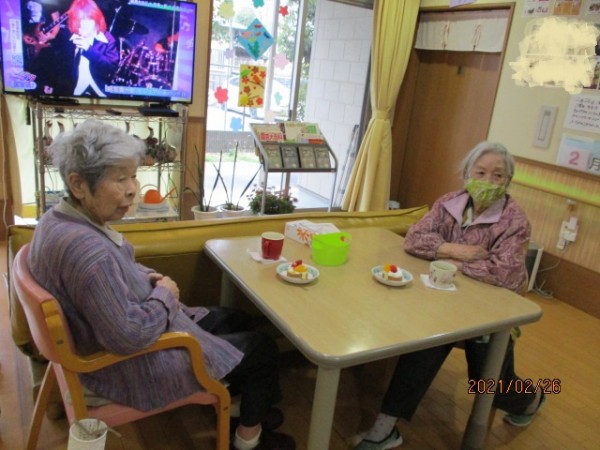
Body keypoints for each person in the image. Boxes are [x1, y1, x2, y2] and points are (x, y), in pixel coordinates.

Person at [27, 119, 295, 450]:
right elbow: (128, 336)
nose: (132, 189)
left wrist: (142, 278)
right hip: (121, 368)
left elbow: (112, 273)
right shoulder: (89, 253)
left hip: (99, 339)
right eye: (120, 179)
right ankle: (248, 440)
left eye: (133, 176)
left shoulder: (55, 220)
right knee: (262, 348)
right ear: (78, 184)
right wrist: (165, 295)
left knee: (233, 318)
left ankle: (247, 406)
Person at [354, 142, 545, 450]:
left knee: (488, 385)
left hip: (489, 312)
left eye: (498, 175)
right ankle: (385, 427)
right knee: (424, 343)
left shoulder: (514, 221)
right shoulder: (448, 203)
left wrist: (454, 264)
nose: (488, 181)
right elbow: (414, 238)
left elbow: (506, 273)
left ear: (508, 181)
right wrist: (457, 250)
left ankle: (533, 399)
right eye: (480, 172)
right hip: (441, 302)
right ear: (466, 174)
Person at [65, 0, 119, 96]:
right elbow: (60, 70)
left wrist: (89, 49)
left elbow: (110, 69)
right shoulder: (69, 38)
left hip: (101, 93)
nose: (83, 24)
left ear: (96, 19)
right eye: (80, 19)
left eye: (88, 19)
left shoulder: (107, 39)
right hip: (73, 94)